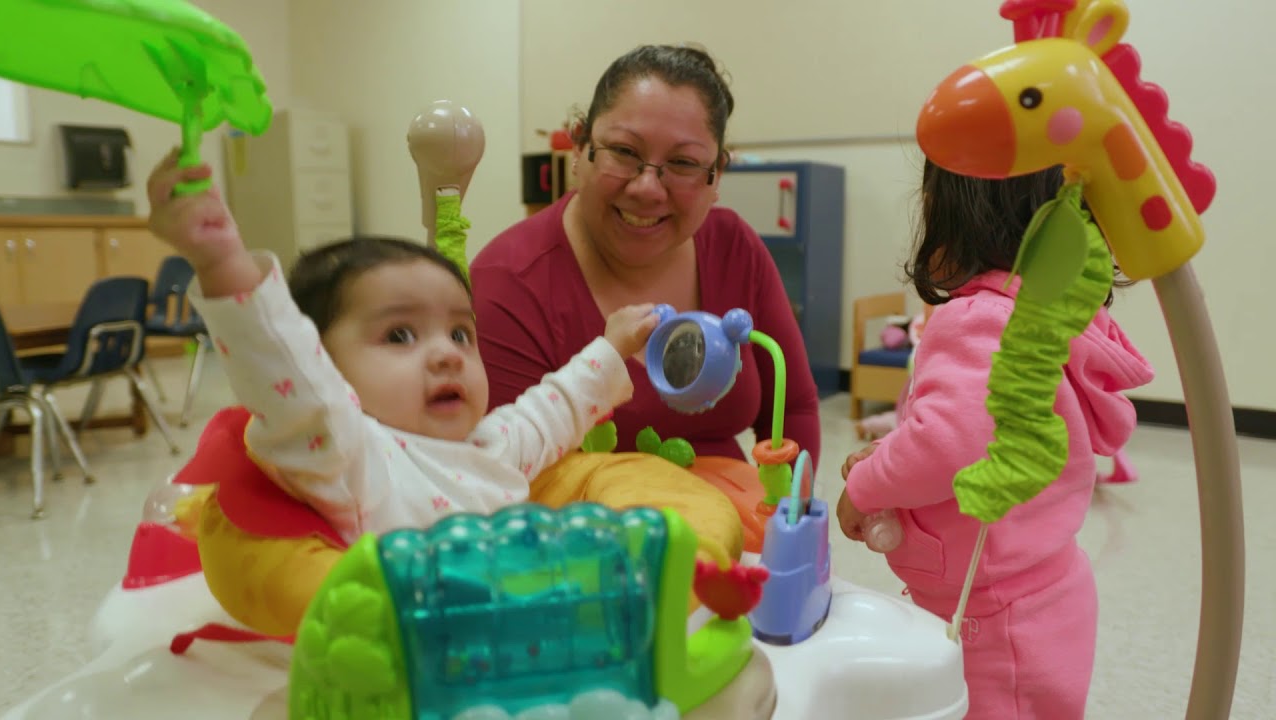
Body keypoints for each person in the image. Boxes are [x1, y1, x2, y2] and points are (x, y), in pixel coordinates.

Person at [145, 150, 659, 545]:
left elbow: (551, 411)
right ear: (322, 365)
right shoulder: (349, 457)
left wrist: (612, 347)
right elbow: (285, 370)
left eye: (460, 333)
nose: (448, 354)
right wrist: (220, 260)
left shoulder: (490, 446)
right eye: (399, 335)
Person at [835, 159, 1154, 719]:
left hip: (987, 615)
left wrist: (864, 486)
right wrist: (892, 452)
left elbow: (947, 445)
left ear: (959, 222)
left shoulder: (979, 319)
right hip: (1042, 591)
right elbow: (978, 429)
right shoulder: (1048, 318)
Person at [470, 44, 821, 467]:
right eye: (624, 152)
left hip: (735, 508)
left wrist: (790, 504)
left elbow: (794, 408)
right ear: (580, 147)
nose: (647, 188)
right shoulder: (508, 284)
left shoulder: (734, 247)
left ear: (716, 176)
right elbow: (500, 475)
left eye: (683, 162)